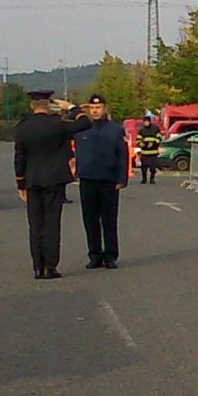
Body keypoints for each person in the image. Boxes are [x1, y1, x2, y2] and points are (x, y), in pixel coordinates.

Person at [14, 90, 93, 279]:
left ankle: (37, 267)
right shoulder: (57, 123)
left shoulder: (22, 127)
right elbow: (85, 123)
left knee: (35, 225)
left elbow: (19, 157)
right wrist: (72, 108)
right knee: (51, 223)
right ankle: (50, 266)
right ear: (48, 105)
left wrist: (21, 183)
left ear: (31, 105)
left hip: (32, 180)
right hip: (54, 179)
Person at [74, 93, 129, 270]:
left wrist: (122, 178)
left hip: (109, 180)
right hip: (87, 179)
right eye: (92, 108)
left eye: (98, 108)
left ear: (105, 109)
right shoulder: (82, 129)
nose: (95, 111)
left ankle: (110, 255)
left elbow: (122, 155)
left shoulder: (115, 129)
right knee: (90, 220)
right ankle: (94, 255)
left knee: (109, 220)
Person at [136, 115, 162, 184]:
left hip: (153, 152)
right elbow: (138, 140)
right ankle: (144, 178)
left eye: (147, 121)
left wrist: (153, 143)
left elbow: (159, 138)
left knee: (153, 168)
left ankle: (152, 179)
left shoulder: (155, 129)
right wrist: (143, 144)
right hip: (144, 152)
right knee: (143, 168)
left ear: (150, 122)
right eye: (145, 122)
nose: (146, 123)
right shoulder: (141, 130)